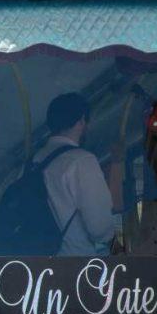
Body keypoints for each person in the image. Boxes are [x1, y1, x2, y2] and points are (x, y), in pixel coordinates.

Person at [34, 92, 114, 255]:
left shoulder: (34, 161)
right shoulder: (81, 160)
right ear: (82, 121)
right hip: (76, 265)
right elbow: (99, 228)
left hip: (38, 263)